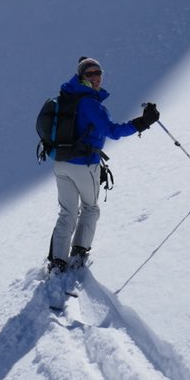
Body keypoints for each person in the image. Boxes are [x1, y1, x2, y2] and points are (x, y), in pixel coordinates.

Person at [49, 56, 159, 272]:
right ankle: (79, 251)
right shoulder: (89, 103)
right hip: (84, 164)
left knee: (67, 212)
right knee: (90, 207)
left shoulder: (68, 97)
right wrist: (142, 122)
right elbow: (112, 131)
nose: (95, 77)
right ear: (81, 77)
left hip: (61, 163)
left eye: (98, 72)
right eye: (89, 74)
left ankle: (57, 262)